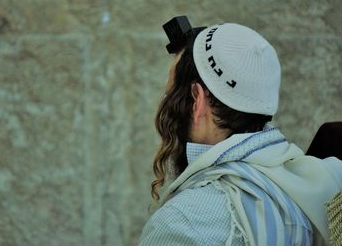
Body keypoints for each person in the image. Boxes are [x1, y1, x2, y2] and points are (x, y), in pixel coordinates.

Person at [138, 16, 342, 246]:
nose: (164, 105)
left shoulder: (181, 224)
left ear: (198, 100)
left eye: (169, 94)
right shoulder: (320, 190)